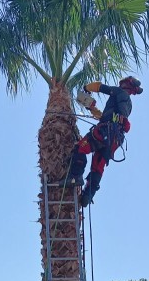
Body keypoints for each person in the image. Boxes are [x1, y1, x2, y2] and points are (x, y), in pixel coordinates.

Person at [60, 76, 143, 206]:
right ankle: (87, 195)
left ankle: (75, 176)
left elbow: (101, 87)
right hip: (115, 141)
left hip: (104, 132)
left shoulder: (119, 92)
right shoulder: (128, 105)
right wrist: (92, 108)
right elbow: (107, 117)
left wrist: (87, 88)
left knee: (80, 148)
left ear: (125, 85)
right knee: (98, 166)